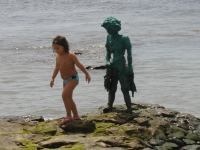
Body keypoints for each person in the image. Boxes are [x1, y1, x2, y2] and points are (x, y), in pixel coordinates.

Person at [50, 35, 91, 124]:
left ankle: (69, 115)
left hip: (73, 79)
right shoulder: (58, 57)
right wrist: (52, 78)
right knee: (68, 98)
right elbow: (57, 68)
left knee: (64, 95)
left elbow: (79, 65)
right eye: (54, 49)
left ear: (64, 46)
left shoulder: (70, 55)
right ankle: (75, 115)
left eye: (57, 48)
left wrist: (87, 74)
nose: (56, 51)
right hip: (65, 80)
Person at [101, 17, 136, 113]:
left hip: (121, 66)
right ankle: (110, 106)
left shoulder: (124, 39)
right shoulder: (108, 38)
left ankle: (129, 107)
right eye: (106, 29)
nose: (107, 31)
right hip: (112, 67)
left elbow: (129, 54)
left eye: (108, 29)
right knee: (112, 88)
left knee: (125, 88)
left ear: (114, 28)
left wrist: (130, 67)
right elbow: (107, 53)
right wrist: (107, 61)